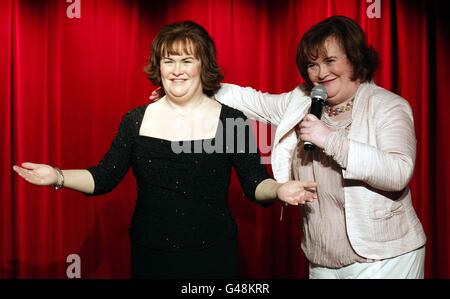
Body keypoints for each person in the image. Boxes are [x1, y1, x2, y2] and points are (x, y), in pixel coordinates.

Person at [12, 21, 318, 279]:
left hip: (213, 256)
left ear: (203, 65)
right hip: (150, 255)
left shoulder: (231, 120)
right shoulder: (135, 120)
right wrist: (57, 175)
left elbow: (254, 184)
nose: (177, 70)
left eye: (187, 60)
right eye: (168, 61)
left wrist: (278, 189)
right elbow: (103, 178)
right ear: (158, 67)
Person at [215, 16, 426, 279]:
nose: (320, 73)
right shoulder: (302, 100)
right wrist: (188, 87)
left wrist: (329, 139)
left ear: (354, 58)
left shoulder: (387, 105)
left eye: (329, 61)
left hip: (383, 258)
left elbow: (398, 172)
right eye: (312, 65)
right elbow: (249, 100)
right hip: (321, 259)